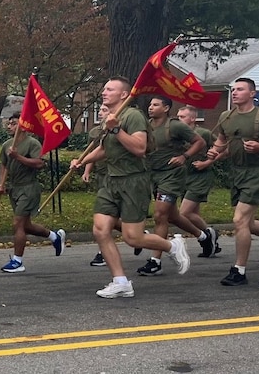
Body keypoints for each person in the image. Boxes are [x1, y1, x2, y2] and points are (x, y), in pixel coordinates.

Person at [71, 77, 190, 299]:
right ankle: (121, 281)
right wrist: (83, 160)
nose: (104, 92)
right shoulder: (111, 118)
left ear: (124, 94)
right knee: (100, 229)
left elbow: (139, 147)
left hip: (133, 181)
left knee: (133, 238)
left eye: (109, 89)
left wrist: (116, 130)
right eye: (104, 88)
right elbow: (106, 150)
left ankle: (172, 246)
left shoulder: (132, 116)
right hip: (111, 180)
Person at [206, 77, 259, 287]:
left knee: (239, 220)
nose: (235, 92)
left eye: (240, 89)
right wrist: (216, 150)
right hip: (237, 172)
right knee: (247, 223)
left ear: (252, 93)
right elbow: (222, 140)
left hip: (257, 172)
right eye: (233, 89)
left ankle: (239, 270)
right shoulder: (226, 116)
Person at [137, 97, 213, 276]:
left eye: (155, 105)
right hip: (154, 175)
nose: (151, 107)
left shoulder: (175, 126)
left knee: (159, 215)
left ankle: (155, 262)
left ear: (166, 108)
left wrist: (184, 157)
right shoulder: (146, 126)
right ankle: (203, 236)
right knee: (173, 216)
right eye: (150, 104)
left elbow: (199, 142)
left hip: (171, 176)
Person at [0, 112, 64, 273]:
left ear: (23, 126)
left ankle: (17, 261)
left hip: (28, 188)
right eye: (9, 123)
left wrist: (18, 156)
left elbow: (39, 163)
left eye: (13, 123)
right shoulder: (7, 145)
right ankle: (55, 237)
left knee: (18, 223)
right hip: (14, 188)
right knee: (26, 225)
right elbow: (4, 165)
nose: (9, 126)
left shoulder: (32, 144)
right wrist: (1, 183)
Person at [176, 105, 222, 258]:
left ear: (192, 118)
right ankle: (210, 244)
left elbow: (223, 149)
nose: (179, 119)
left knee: (184, 212)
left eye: (182, 117)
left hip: (200, 176)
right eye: (178, 116)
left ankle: (210, 233)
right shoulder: (177, 134)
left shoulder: (203, 133)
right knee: (193, 214)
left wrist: (208, 161)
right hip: (184, 176)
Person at [83, 105, 111, 267]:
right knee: (105, 212)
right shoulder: (94, 133)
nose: (101, 113)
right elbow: (91, 153)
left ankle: (138, 234)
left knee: (112, 214)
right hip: (102, 175)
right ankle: (102, 252)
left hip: (118, 174)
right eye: (100, 110)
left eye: (105, 110)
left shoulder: (121, 129)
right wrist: (87, 171)